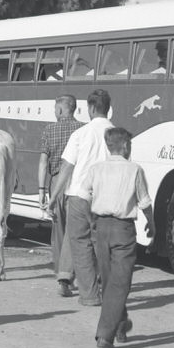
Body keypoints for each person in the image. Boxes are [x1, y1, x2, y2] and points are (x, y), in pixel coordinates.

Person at [84, 127, 155, 348]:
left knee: (108, 281)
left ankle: (121, 323)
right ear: (124, 146)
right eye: (130, 145)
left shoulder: (96, 169)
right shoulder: (134, 169)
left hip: (101, 228)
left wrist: (92, 221)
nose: (130, 149)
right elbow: (144, 202)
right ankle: (106, 335)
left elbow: (84, 198)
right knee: (121, 282)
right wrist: (151, 224)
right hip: (123, 229)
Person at [55, 90, 114, 309]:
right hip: (106, 198)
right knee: (102, 243)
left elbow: (67, 167)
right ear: (108, 108)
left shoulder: (81, 134)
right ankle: (105, 287)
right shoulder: (117, 135)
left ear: (90, 109)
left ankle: (88, 294)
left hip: (79, 195)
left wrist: (53, 196)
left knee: (78, 242)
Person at [38, 95, 82, 298]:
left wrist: (41, 190)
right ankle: (75, 275)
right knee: (77, 231)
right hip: (78, 182)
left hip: (57, 181)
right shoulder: (83, 130)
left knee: (59, 231)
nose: (55, 113)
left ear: (62, 110)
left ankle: (61, 274)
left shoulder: (49, 130)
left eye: (56, 109)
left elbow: (42, 163)